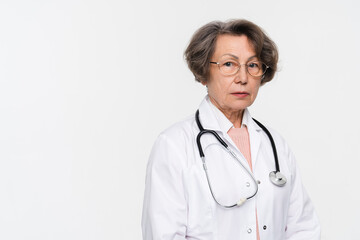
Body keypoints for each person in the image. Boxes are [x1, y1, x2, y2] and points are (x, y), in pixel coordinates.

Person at [142, 19, 320, 240]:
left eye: (253, 65)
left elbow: (303, 228)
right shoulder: (174, 145)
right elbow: (164, 234)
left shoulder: (275, 144)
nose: (243, 78)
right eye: (229, 64)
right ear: (204, 70)